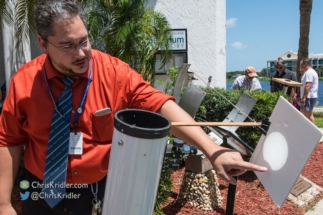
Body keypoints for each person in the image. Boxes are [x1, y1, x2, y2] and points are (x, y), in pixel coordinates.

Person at [0, 1, 266, 214]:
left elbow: (162, 106)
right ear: (43, 44)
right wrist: (3, 204)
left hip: (99, 192)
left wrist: (213, 150)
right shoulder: (24, 81)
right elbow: (8, 140)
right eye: (67, 46)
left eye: (84, 41)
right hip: (40, 191)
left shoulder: (114, 73)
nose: (81, 53)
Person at [299, 58, 319, 123]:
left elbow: (308, 85)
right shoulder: (310, 72)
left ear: (305, 64)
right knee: (302, 112)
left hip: (309, 97)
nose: (300, 66)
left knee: (308, 114)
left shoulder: (309, 73)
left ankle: (313, 132)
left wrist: (304, 97)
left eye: (301, 64)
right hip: (309, 96)